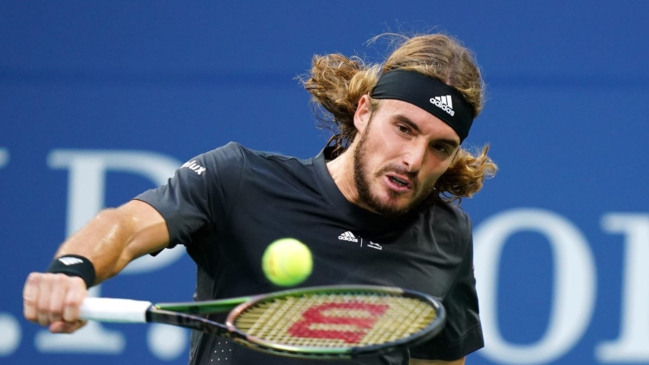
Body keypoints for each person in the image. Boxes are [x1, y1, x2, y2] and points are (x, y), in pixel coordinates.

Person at [23, 33, 497, 365]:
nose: (414, 159)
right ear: (364, 112)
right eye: (404, 128)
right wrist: (72, 271)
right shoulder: (238, 178)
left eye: (440, 147)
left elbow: (437, 358)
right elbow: (126, 228)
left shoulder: (445, 235)